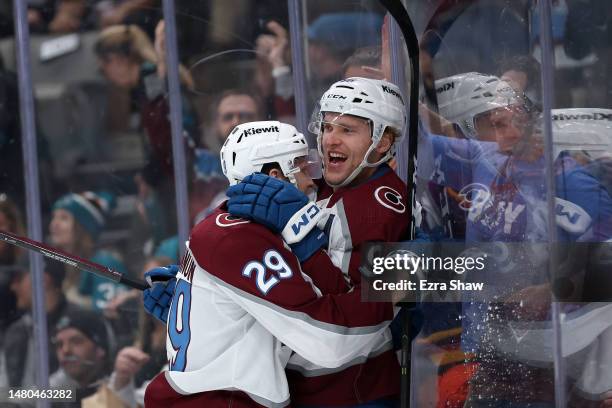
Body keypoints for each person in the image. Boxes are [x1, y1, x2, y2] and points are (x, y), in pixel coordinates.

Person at [142, 120, 396, 407]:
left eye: (346, 129)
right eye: (301, 165)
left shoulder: (226, 227)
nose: (312, 178)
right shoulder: (244, 236)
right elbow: (329, 341)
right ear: (275, 175)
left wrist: (208, 313)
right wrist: (393, 293)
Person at [226, 77, 410, 406]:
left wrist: (304, 240)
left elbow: (358, 318)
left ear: (382, 142)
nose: (329, 141)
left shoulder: (378, 209)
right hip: (315, 385)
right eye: (326, 127)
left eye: (347, 130)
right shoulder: (331, 181)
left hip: (353, 392)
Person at [0, 260, 82, 388]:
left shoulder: (80, 324)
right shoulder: (17, 330)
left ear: (42, 280)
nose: (13, 287)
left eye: (19, 279)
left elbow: (74, 386)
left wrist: (18, 400)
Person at [50, 191, 129, 310]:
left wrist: (78, 303)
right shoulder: (58, 267)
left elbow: (110, 314)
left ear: (82, 227)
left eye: (64, 218)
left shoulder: (104, 263)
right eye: (54, 217)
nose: (54, 224)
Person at [49, 309, 113, 405]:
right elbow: (23, 397)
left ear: (100, 348)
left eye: (76, 341)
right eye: (59, 344)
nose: (65, 350)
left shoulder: (120, 386)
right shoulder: (62, 387)